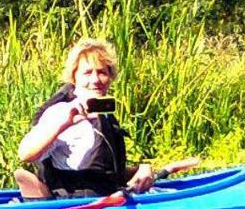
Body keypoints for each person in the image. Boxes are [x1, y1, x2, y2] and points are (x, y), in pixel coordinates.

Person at [15, 38, 155, 199]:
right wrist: (63, 124)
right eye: (87, 73)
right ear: (74, 78)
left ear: (110, 77)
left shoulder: (105, 115)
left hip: (107, 199)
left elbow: (104, 172)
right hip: (76, 204)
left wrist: (143, 169)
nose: (95, 80)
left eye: (102, 72)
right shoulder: (60, 112)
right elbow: (25, 154)